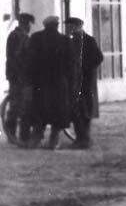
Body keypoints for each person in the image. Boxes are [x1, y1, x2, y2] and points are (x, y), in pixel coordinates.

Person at [22, 16, 71, 149]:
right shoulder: (65, 40)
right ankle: (54, 140)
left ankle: (36, 138)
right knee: (57, 111)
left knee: (39, 110)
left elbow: (29, 61)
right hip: (58, 82)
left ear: (45, 26)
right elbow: (70, 63)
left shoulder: (36, 38)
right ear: (57, 25)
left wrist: (28, 79)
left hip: (40, 82)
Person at [64, 17, 104, 149]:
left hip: (85, 83)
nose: (68, 29)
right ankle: (82, 139)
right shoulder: (72, 41)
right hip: (75, 82)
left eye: (70, 26)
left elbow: (98, 57)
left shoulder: (88, 40)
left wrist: (84, 68)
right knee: (77, 111)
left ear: (77, 26)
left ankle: (84, 140)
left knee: (84, 111)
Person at [4, 12, 35, 143]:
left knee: (20, 105)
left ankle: (18, 135)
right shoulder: (16, 36)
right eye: (29, 24)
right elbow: (16, 58)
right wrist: (22, 74)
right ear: (23, 23)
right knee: (17, 106)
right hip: (18, 76)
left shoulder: (21, 36)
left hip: (19, 75)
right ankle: (13, 135)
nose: (30, 27)